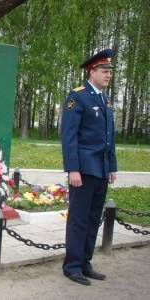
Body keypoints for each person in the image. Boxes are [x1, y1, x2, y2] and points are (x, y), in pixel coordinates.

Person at [61, 49, 117, 285]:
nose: (108, 75)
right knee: (79, 218)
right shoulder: (78, 96)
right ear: (91, 71)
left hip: (101, 168)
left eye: (110, 72)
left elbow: (109, 136)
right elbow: (69, 135)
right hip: (83, 170)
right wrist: (73, 169)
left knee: (93, 218)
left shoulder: (105, 99)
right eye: (104, 71)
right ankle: (72, 265)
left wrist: (112, 166)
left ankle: (85, 262)